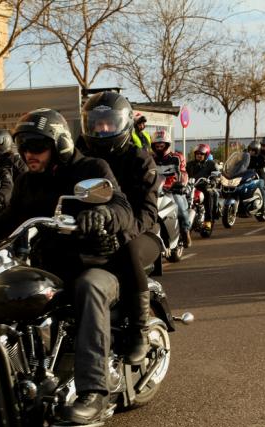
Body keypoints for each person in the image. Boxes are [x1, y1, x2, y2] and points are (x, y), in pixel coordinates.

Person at [0, 108, 135, 425]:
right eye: (23, 147)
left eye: (36, 147)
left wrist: (102, 215)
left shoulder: (90, 167)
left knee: (88, 288)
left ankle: (94, 392)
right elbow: (4, 226)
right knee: (3, 290)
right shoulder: (26, 182)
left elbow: (121, 207)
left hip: (98, 265)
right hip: (52, 267)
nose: (28, 154)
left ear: (59, 144)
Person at [80, 90, 163, 363]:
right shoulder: (81, 157)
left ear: (123, 124)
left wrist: (121, 235)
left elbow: (148, 212)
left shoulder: (139, 159)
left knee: (127, 251)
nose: (102, 129)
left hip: (140, 234)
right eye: (96, 123)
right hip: (93, 232)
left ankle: (139, 329)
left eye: (109, 123)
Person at [151, 129, 191, 247]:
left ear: (167, 144)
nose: (159, 146)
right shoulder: (150, 159)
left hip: (173, 189)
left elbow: (183, 173)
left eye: (161, 144)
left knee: (181, 209)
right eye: (156, 145)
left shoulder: (176, 157)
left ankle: (185, 231)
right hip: (156, 190)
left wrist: (181, 184)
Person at [186, 143, 219, 232]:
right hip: (191, 187)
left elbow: (216, 174)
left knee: (209, 193)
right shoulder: (190, 164)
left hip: (204, 187)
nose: (199, 155)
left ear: (206, 155)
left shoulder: (211, 164)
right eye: (197, 154)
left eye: (201, 154)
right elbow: (183, 174)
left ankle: (208, 220)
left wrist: (213, 180)